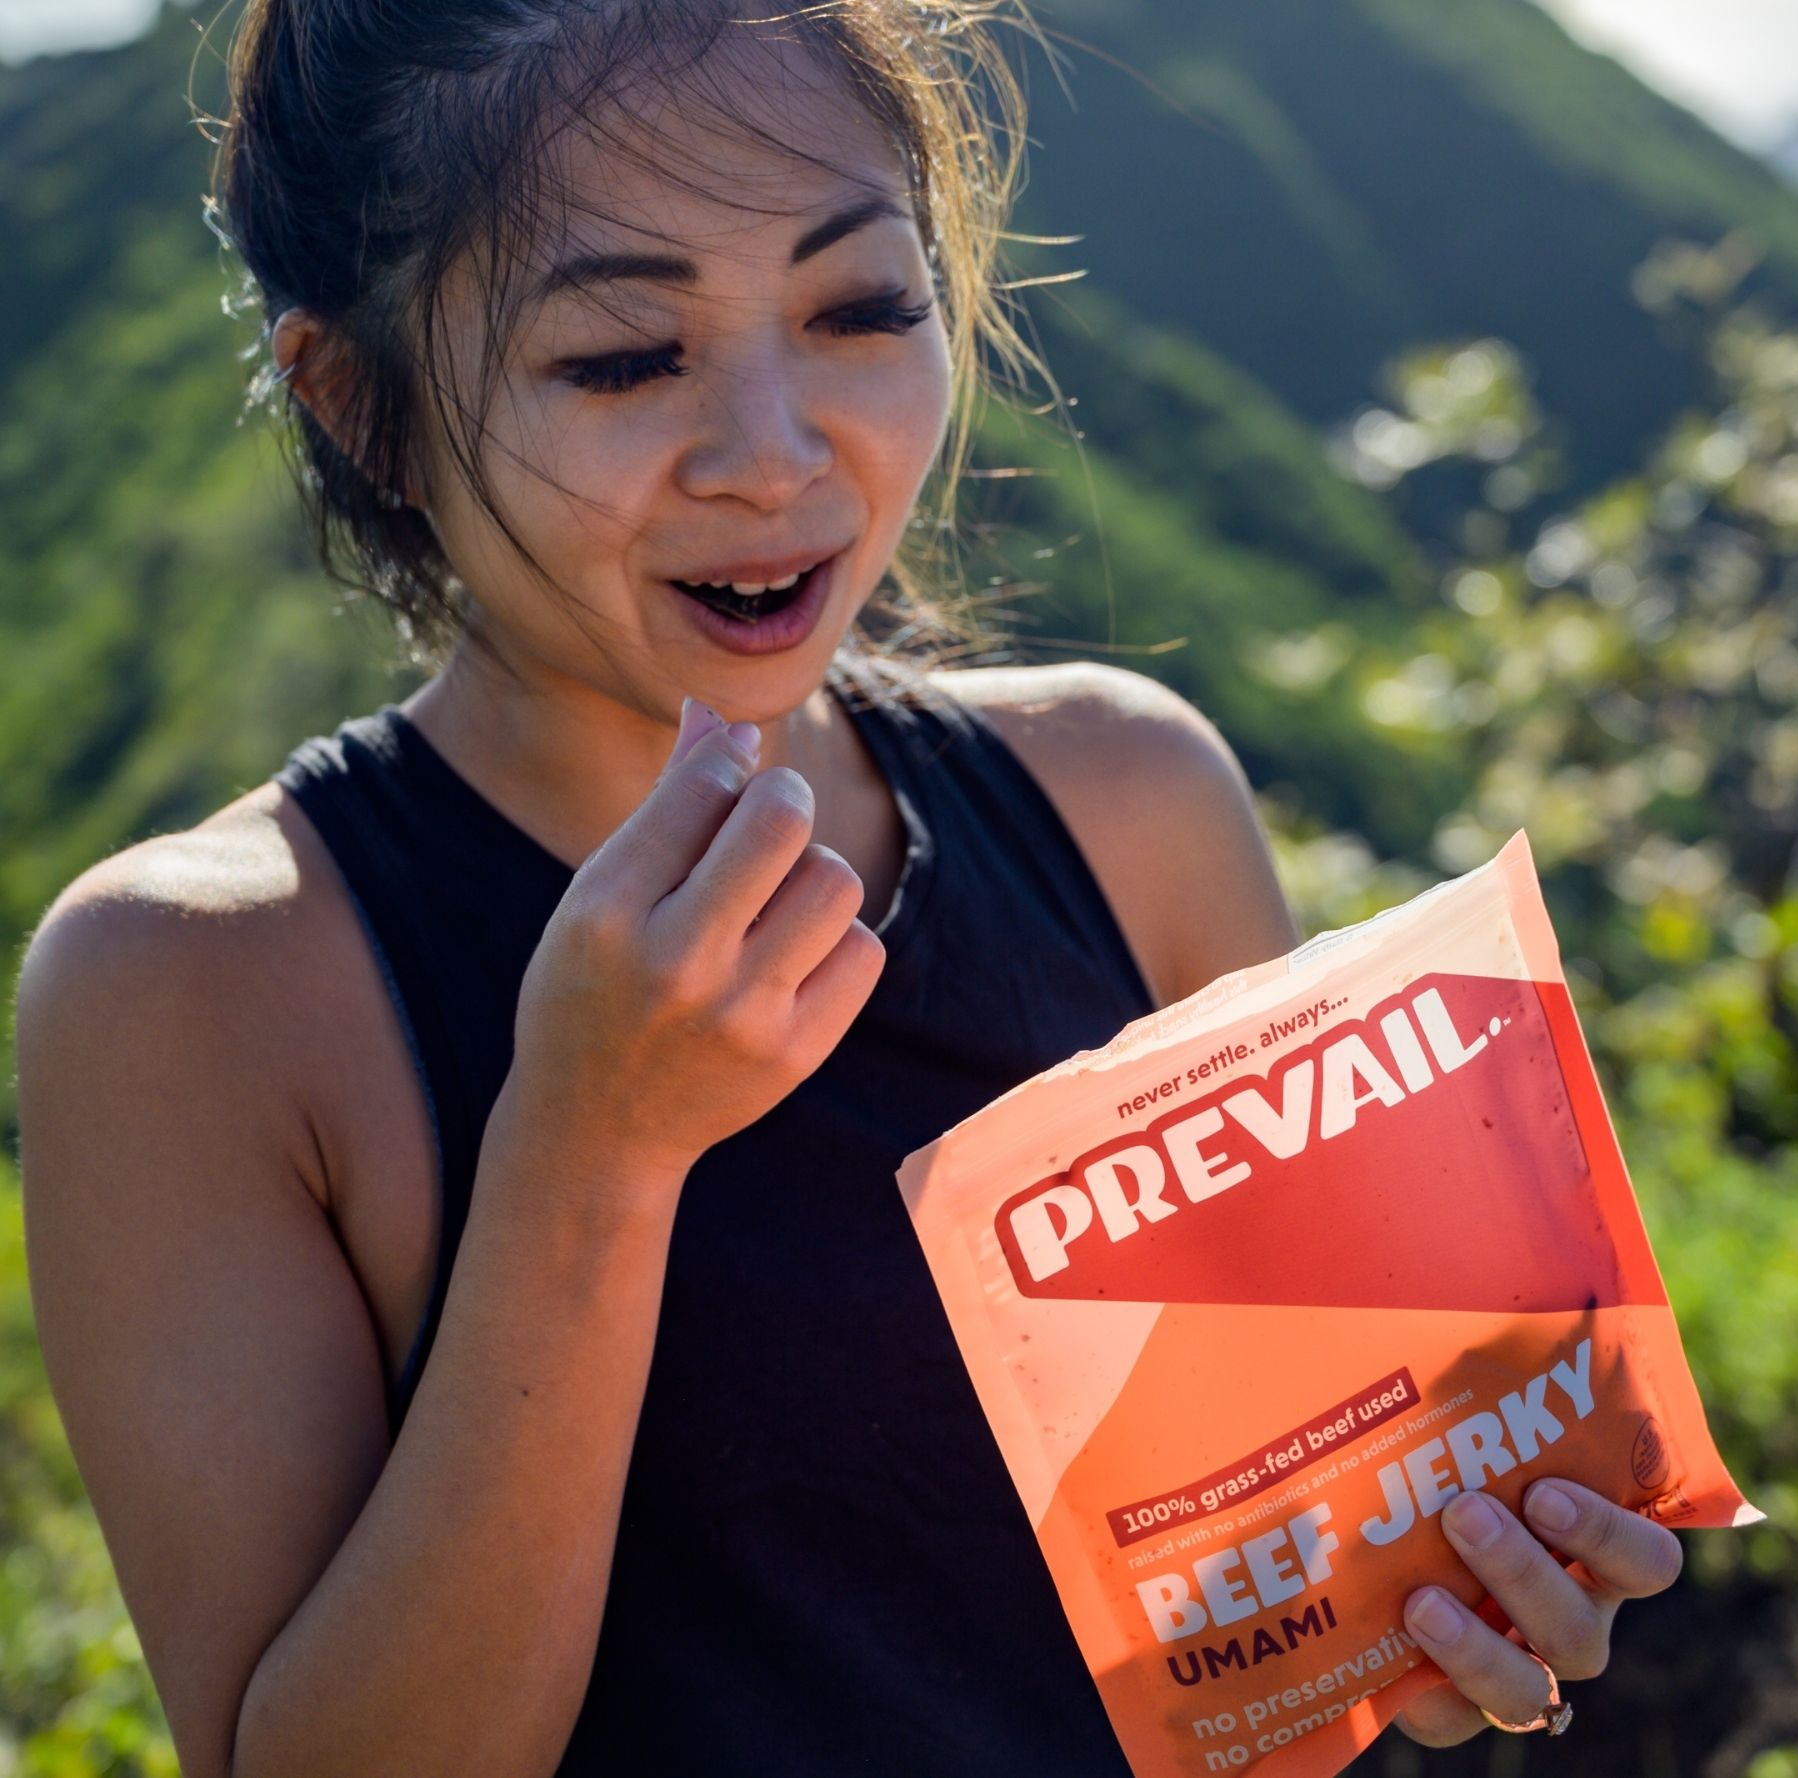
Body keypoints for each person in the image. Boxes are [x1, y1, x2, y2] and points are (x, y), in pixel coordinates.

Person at [13, 1, 1686, 1773]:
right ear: (365, 406)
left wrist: (1421, 1602)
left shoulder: (1128, 805)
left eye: (860, 309)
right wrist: (589, 1157)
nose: (778, 451)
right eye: (622, 356)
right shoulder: (193, 987)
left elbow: (1241, 1649)